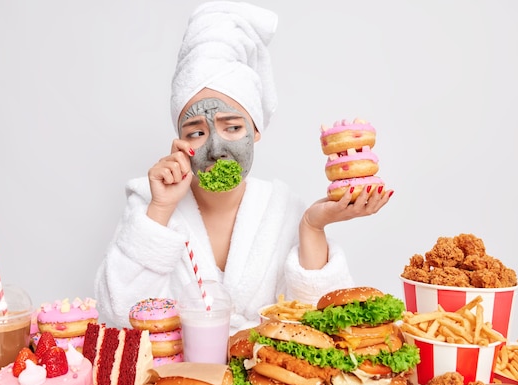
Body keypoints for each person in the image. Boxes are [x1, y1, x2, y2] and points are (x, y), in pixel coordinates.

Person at [94, 1, 392, 333]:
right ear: (179, 141)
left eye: (232, 127)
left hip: (265, 378)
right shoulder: (151, 205)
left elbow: (318, 324)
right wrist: (161, 208)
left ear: (256, 130)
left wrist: (312, 227)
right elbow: (118, 314)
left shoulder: (282, 209)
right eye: (196, 132)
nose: (216, 147)